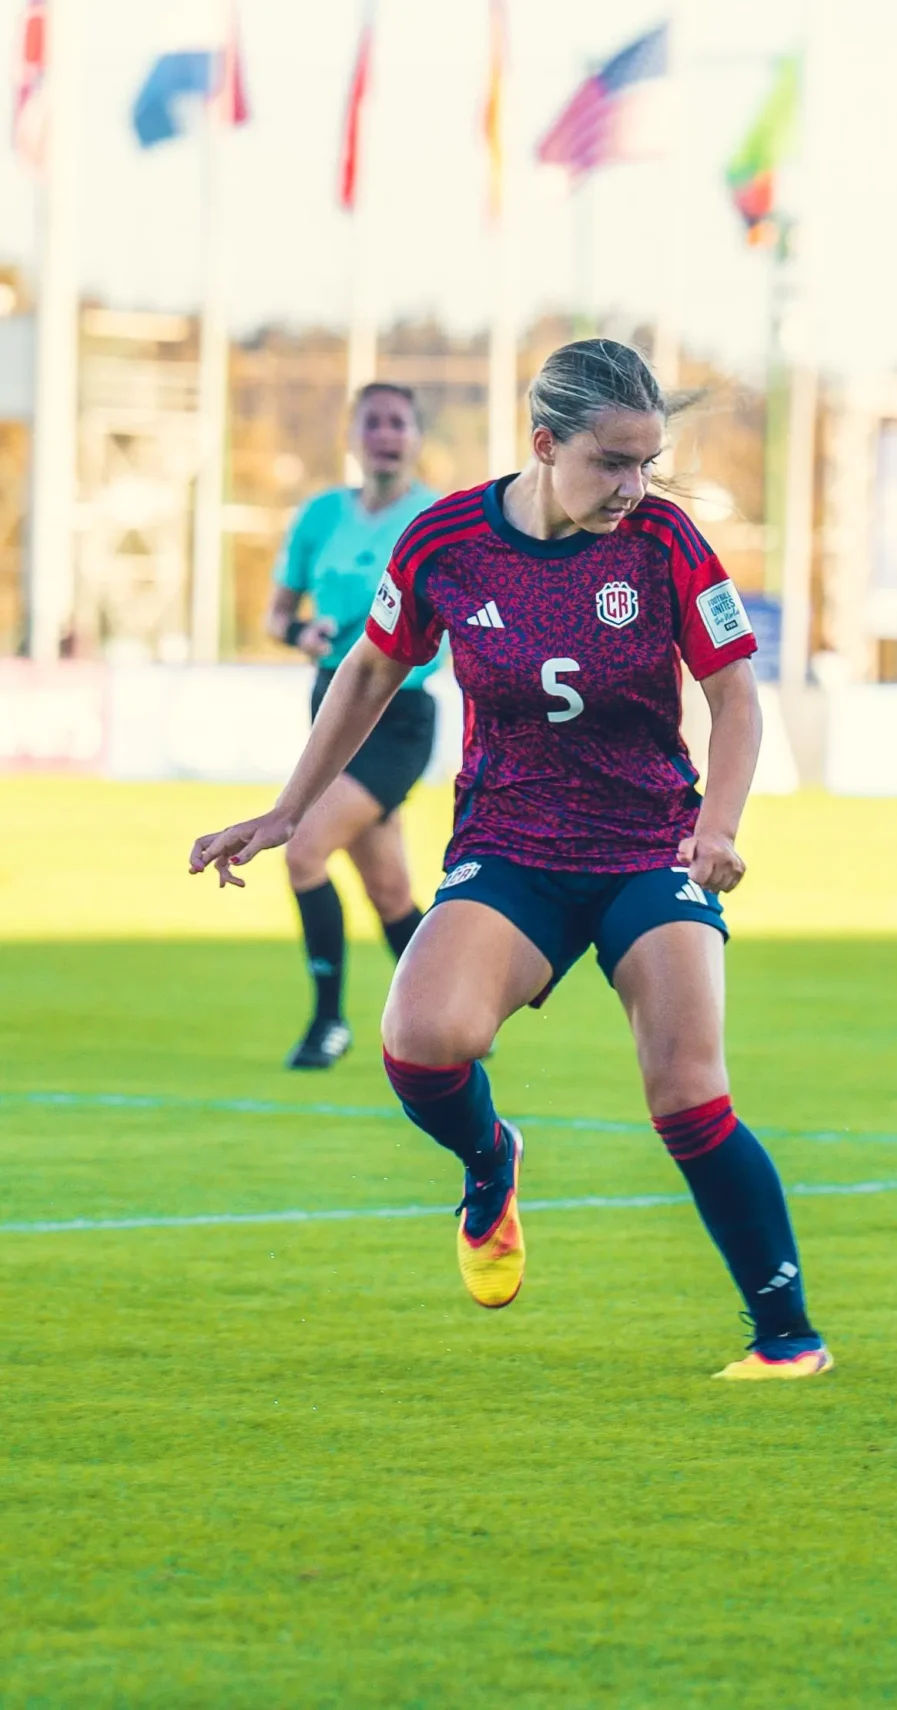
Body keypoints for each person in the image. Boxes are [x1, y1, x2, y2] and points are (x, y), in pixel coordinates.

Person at [190, 338, 827, 1380]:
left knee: (685, 1092)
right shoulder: (446, 543)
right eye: (611, 463)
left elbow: (735, 696)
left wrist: (718, 826)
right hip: (512, 845)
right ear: (544, 444)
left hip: (645, 847)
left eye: (647, 464)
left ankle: (789, 1337)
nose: (633, 488)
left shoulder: (666, 542)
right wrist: (285, 811)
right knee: (422, 1038)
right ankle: (491, 1160)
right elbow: (366, 676)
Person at [263, 382, 443, 1070]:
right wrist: (299, 632)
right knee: (390, 889)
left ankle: (328, 1024)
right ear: (352, 435)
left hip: (399, 716)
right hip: (332, 706)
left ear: (417, 437)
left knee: (304, 847)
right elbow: (278, 614)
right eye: (373, 422)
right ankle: (455, 1014)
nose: (386, 434)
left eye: (399, 421)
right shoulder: (319, 516)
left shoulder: (434, 516)